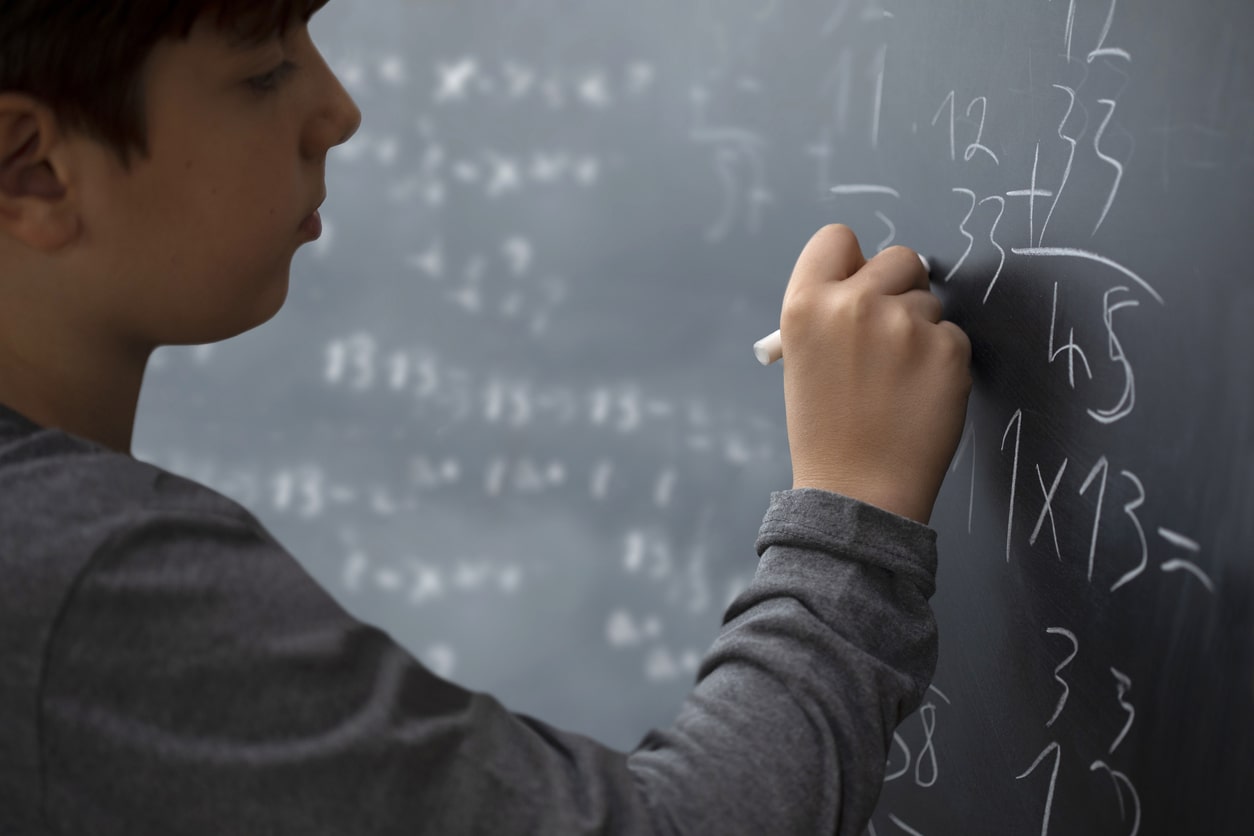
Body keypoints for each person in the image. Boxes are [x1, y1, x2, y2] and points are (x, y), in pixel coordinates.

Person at [0, 1, 972, 834]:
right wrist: (853, 508)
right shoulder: (83, 587)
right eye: (263, 72)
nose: (337, 110)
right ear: (32, 166)